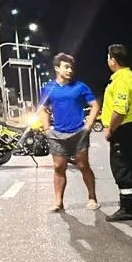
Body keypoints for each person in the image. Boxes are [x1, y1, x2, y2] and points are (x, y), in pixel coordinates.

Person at [39, 53, 100, 213]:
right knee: (59, 167)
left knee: (83, 165)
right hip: (58, 134)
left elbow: (94, 105)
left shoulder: (80, 87)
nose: (70, 70)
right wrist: (46, 128)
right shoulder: (49, 88)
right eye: (66, 67)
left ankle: (92, 197)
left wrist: (88, 125)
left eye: (71, 67)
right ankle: (58, 201)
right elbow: (43, 109)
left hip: (78, 133)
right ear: (57, 68)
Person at [101, 43, 132, 221]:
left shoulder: (121, 81)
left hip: (123, 130)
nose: (108, 61)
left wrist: (110, 129)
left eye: (108, 57)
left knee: (121, 169)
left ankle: (127, 207)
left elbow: (120, 110)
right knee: (131, 167)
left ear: (113, 60)